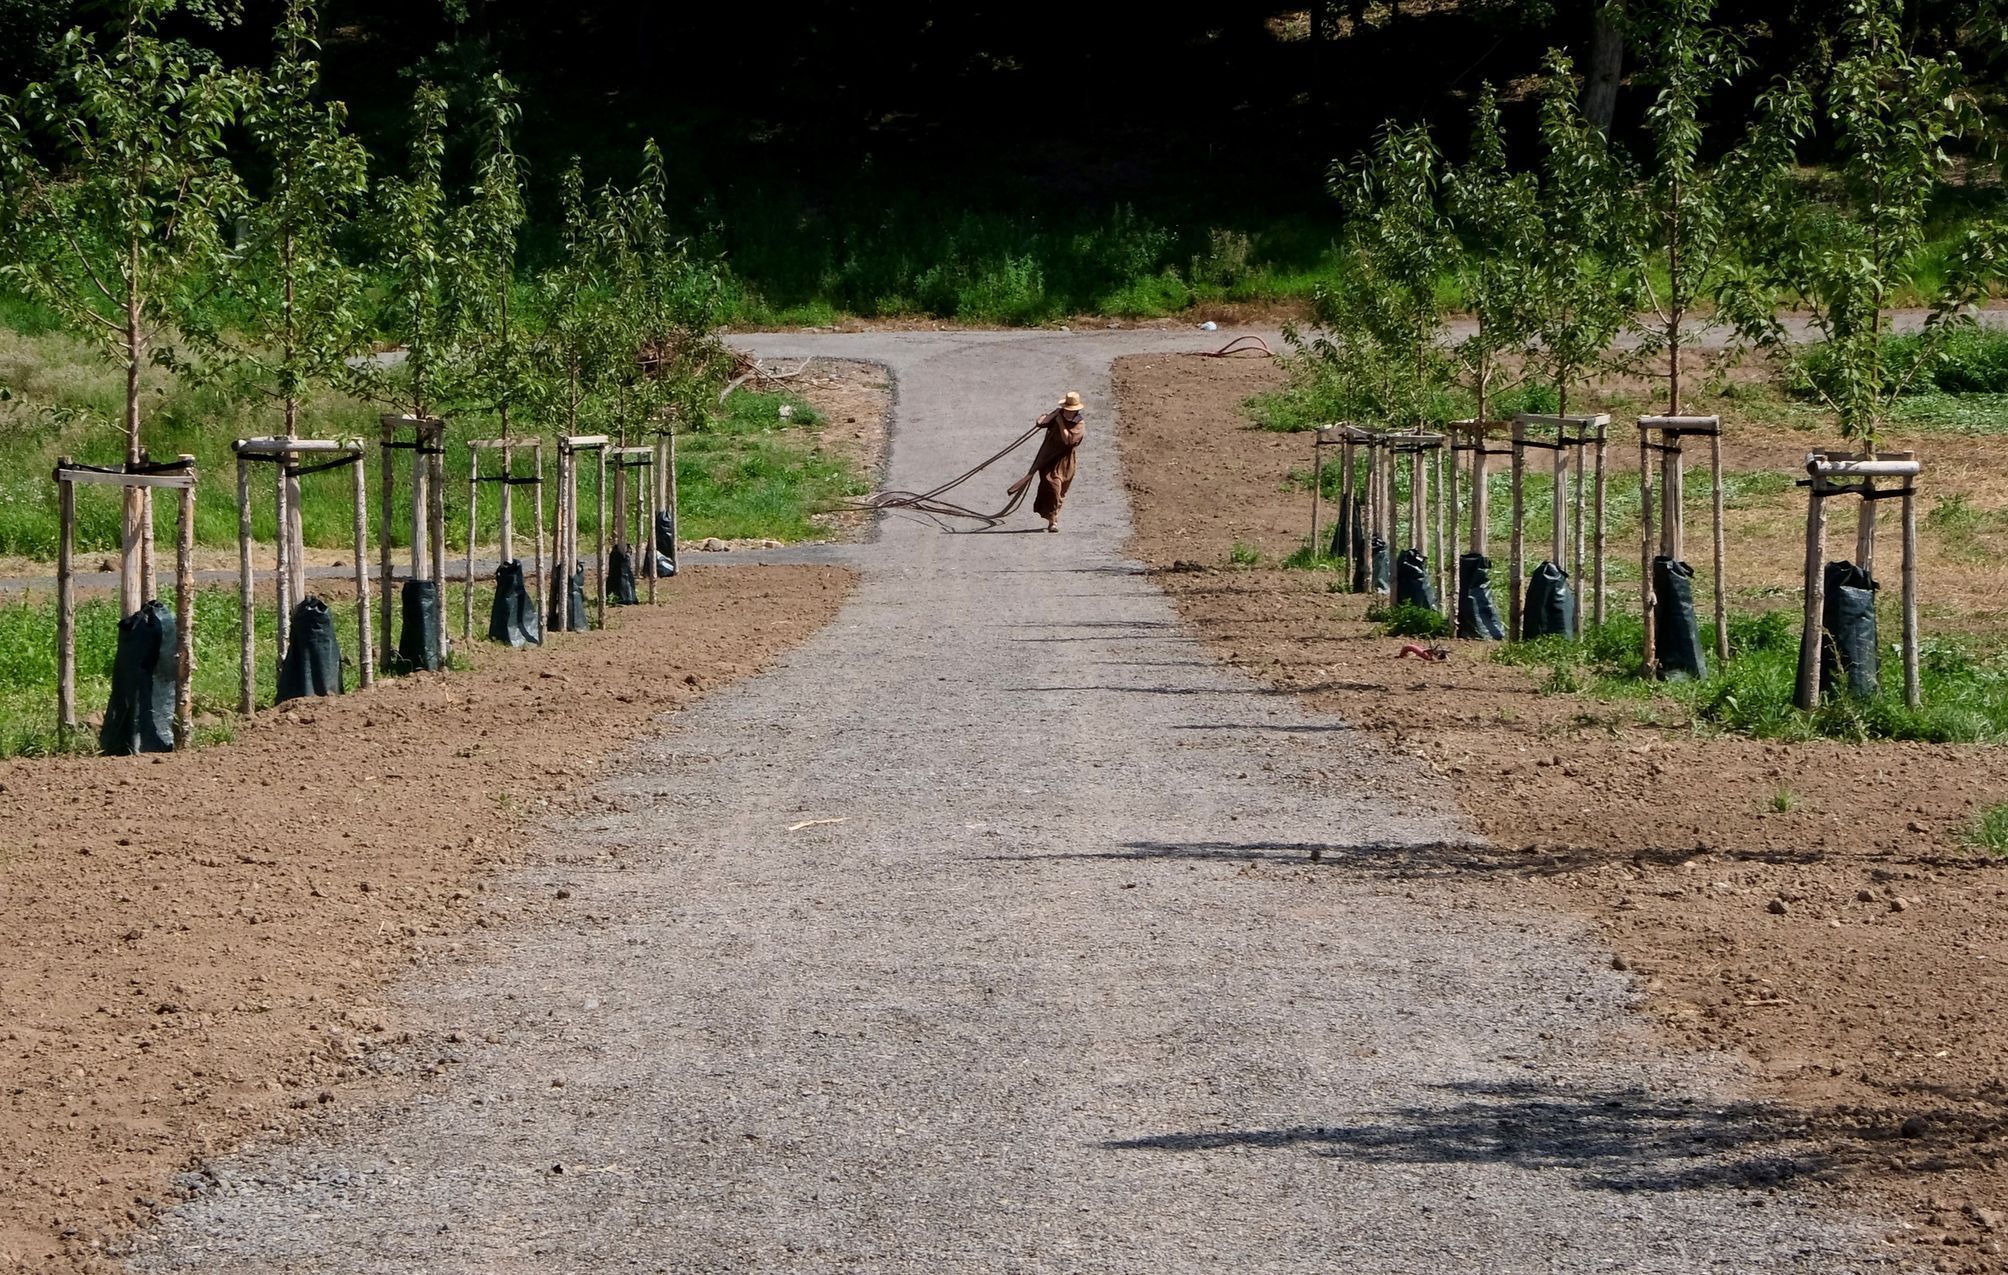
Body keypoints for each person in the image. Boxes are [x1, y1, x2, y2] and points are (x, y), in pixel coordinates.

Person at [1009, 391, 1086, 533]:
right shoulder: (1059, 415)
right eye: (1066, 410)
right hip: (1049, 458)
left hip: (1065, 461)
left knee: (1061, 492)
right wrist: (1054, 414)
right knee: (1053, 486)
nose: (1068, 413)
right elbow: (1040, 423)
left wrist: (1061, 422)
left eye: (1071, 411)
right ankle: (1053, 521)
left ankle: (1054, 516)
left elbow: (1068, 440)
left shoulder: (1079, 424)